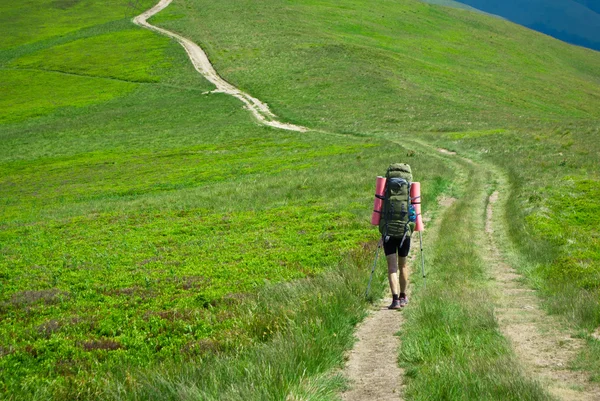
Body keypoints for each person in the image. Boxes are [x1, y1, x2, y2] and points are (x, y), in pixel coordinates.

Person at [377, 163, 414, 310]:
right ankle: (404, 296)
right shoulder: (409, 187)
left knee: (392, 267)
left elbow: (380, 210)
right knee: (403, 265)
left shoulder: (387, 189)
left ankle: (395, 300)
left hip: (389, 232)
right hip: (405, 231)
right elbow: (415, 208)